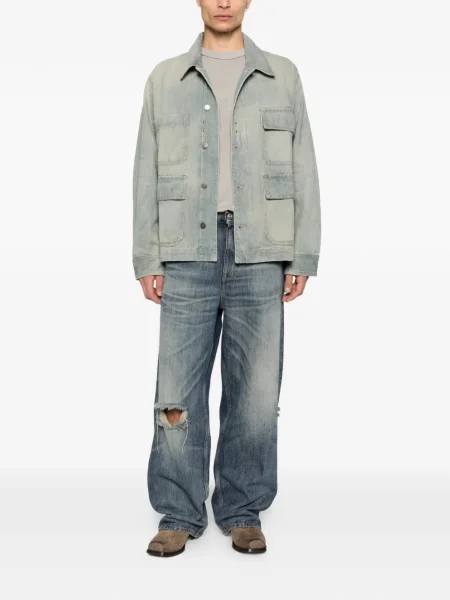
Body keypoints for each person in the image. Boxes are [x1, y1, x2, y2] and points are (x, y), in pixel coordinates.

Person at [132, 0, 321, 557]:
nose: (223, 2)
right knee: (177, 391)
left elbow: (304, 165)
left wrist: (302, 253)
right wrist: (147, 256)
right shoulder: (164, 79)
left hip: (261, 252)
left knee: (256, 394)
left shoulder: (282, 75)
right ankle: (177, 512)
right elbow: (145, 170)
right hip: (184, 251)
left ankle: (242, 509)